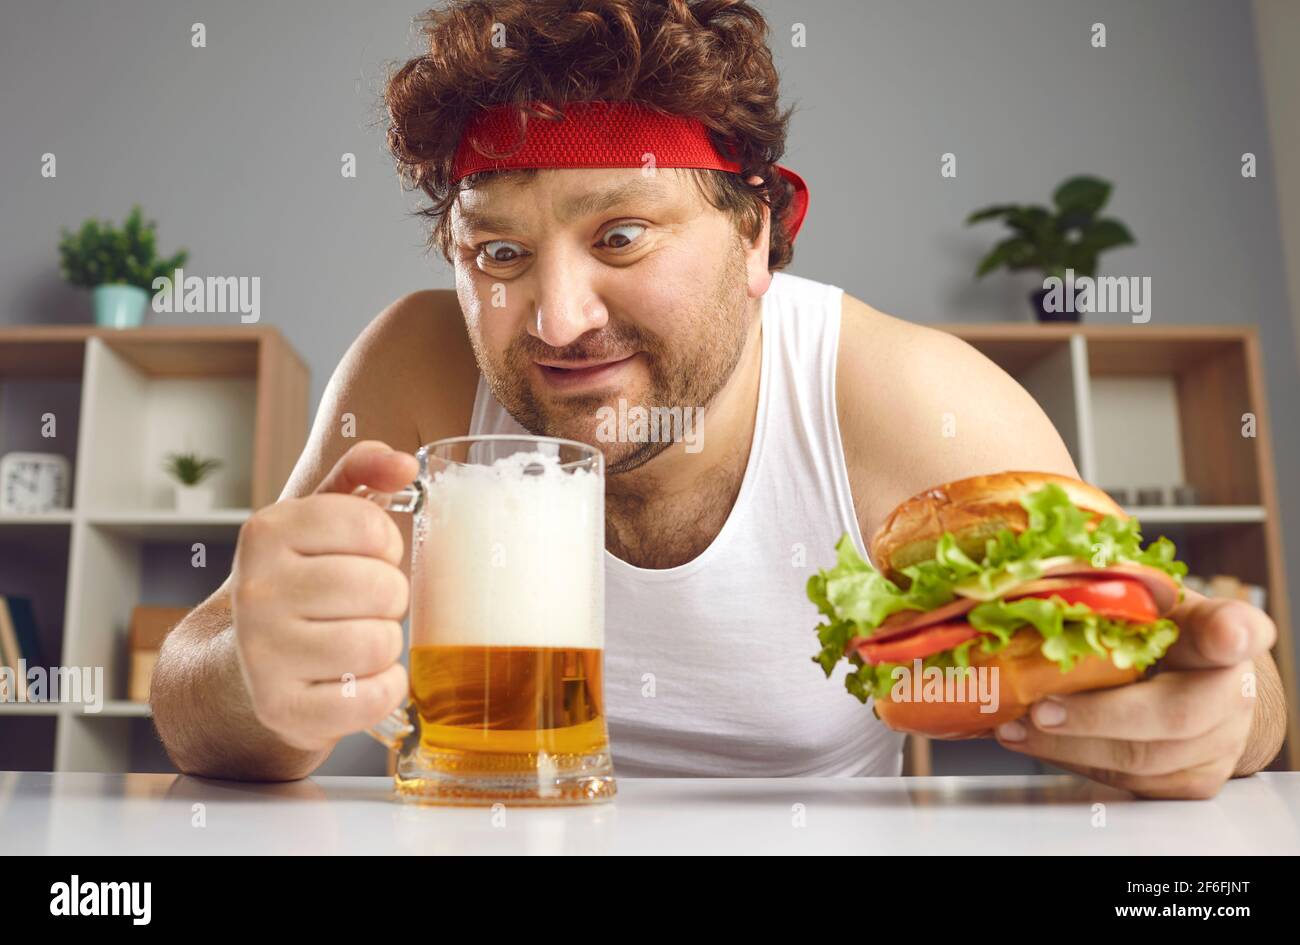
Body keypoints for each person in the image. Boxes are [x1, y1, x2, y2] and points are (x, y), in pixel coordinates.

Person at [151, 0, 1286, 798]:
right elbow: (197, 702)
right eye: (496, 255)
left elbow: (1213, 673)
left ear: (757, 236)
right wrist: (259, 676)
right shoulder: (415, 361)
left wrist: (1223, 720)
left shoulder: (901, 399)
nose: (554, 318)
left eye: (623, 235)